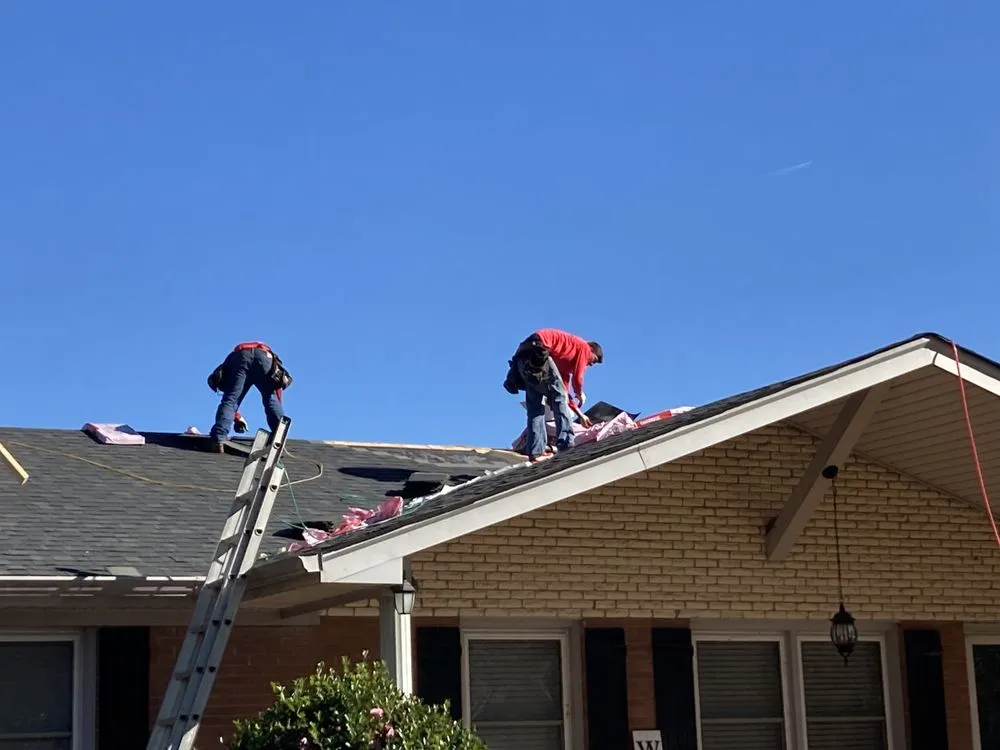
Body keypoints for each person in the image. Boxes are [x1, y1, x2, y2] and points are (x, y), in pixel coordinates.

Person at [504, 328, 603, 462]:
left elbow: (566, 395)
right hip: (539, 349)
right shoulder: (583, 346)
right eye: (594, 360)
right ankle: (566, 442)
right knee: (557, 398)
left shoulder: (561, 365)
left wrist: (580, 415)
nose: (591, 364)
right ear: (591, 349)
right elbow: (578, 378)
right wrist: (579, 393)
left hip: (525, 358)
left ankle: (536, 452)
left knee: (536, 408)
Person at [206, 341, 293, 452]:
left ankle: (219, 439)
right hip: (264, 357)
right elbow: (276, 395)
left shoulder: (230, 363)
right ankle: (278, 440)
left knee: (230, 400)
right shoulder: (267, 355)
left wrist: (232, 418)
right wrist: (237, 417)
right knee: (270, 398)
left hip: (241, 356)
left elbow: (231, 402)